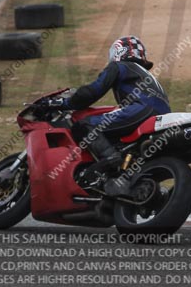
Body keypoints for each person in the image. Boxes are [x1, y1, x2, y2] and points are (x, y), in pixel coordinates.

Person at [50, 36, 171, 194]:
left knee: (84, 124)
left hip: (142, 110)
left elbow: (92, 92)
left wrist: (64, 103)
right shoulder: (145, 75)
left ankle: (111, 160)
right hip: (161, 116)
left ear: (118, 51)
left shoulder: (120, 66)